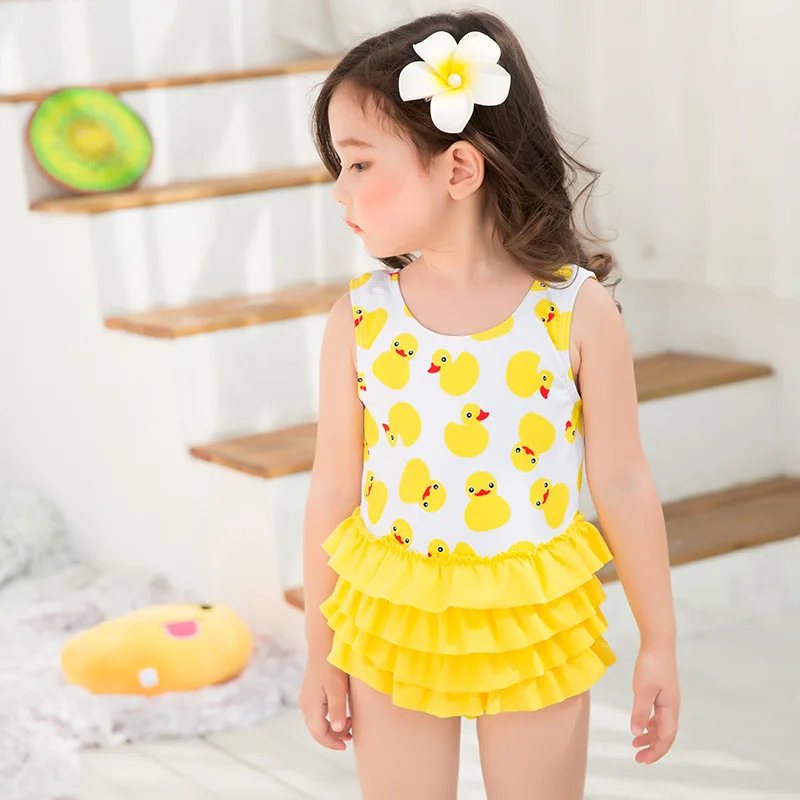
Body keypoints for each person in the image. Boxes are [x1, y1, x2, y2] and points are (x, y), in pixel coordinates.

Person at [299, 9, 679, 799]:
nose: (339, 188)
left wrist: (660, 643)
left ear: (460, 169)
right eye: (339, 164)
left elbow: (623, 484)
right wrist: (319, 651)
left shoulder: (574, 311)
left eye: (360, 162)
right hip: (393, 619)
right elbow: (333, 492)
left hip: (532, 622)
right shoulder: (360, 319)